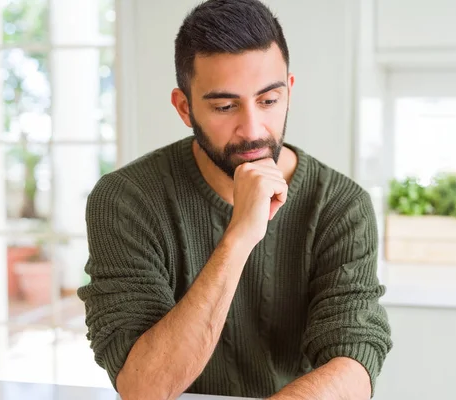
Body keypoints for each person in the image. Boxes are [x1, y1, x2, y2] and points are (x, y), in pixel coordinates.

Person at [77, 0, 392, 399]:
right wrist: (239, 237)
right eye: (225, 106)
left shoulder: (340, 205)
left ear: (289, 91)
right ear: (184, 107)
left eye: (269, 100)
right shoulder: (126, 200)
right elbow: (144, 388)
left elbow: (354, 363)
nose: (253, 129)